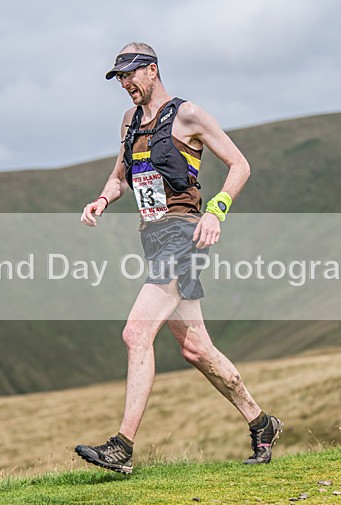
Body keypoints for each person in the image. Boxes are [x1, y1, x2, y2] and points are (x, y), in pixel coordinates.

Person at [76, 42, 282, 475]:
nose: (126, 84)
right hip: (153, 238)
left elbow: (240, 165)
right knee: (195, 349)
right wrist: (101, 200)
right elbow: (120, 177)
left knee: (136, 334)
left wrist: (216, 210)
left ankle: (123, 447)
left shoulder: (188, 115)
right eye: (119, 79)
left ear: (152, 70)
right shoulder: (130, 122)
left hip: (184, 236)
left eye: (131, 75)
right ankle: (262, 423)